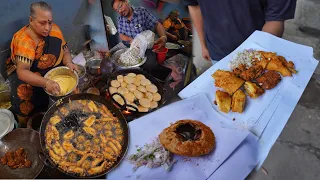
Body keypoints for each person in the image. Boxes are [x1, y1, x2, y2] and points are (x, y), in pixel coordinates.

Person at [6, 1, 78, 127]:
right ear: (31, 20)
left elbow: (65, 50)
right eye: (42, 22)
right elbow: (22, 72)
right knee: (27, 113)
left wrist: (69, 63)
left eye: (49, 22)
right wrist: (46, 83)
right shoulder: (25, 41)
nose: (47, 27)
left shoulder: (54, 30)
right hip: (28, 82)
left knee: (49, 110)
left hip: (50, 77)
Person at [183, 0, 297, 64]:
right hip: (217, 51)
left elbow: (274, 19)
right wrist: (203, 44)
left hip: (258, 53)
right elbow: (195, 6)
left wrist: (255, 60)